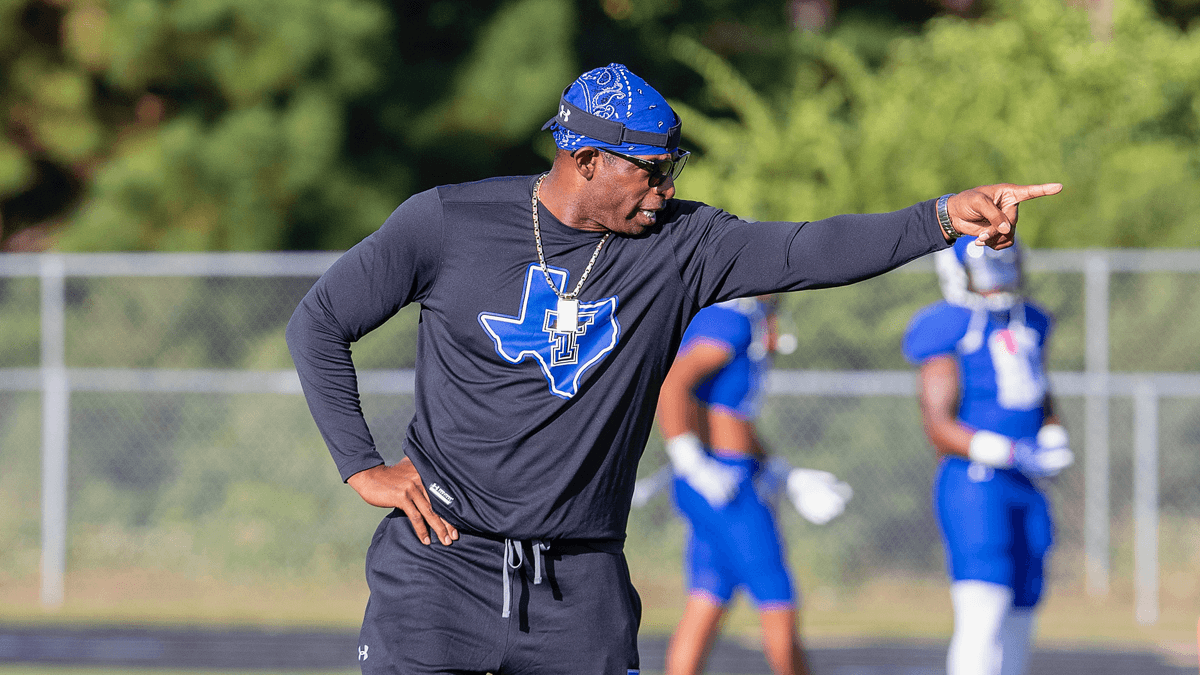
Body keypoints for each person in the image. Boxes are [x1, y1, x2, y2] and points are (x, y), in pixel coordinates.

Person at [285, 61, 1062, 675]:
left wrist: (937, 218)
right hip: (440, 568)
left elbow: (807, 250)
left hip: (580, 584)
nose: (667, 190)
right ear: (585, 159)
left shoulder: (683, 245)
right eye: (650, 171)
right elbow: (319, 322)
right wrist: (361, 465)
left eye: (673, 168)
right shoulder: (447, 221)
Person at [647, 295, 851, 675]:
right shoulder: (732, 321)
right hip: (725, 484)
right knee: (777, 597)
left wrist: (783, 472)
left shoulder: (745, 321)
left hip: (722, 476)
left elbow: (731, 417)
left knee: (707, 599)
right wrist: (690, 459)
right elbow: (672, 383)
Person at [902, 236, 1074, 675]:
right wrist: (1006, 449)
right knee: (985, 608)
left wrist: (1052, 432)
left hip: (1027, 484)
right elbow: (937, 425)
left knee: (1023, 607)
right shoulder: (948, 324)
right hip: (976, 482)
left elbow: (1038, 389)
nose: (999, 278)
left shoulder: (1030, 320)